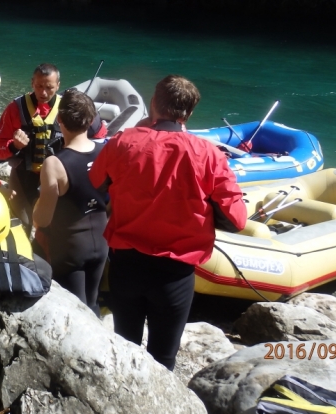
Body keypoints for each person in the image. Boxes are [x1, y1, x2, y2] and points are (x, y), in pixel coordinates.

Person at [88, 74, 247, 371]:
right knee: (163, 358)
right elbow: (237, 219)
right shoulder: (209, 155)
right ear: (188, 113)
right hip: (175, 276)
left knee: (124, 349)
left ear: (152, 104)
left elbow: (96, 182)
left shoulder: (124, 142)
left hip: (126, 266)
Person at [32, 89, 108, 315]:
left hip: (70, 246)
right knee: (92, 304)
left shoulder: (55, 163)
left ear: (60, 120)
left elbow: (42, 218)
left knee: (74, 312)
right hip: (102, 239)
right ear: (91, 120)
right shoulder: (105, 152)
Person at [0, 63, 63, 223]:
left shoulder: (66, 108)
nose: (43, 92)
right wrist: (14, 146)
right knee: (21, 222)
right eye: (38, 86)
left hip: (55, 178)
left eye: (49, 87)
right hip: (23, 175)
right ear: (32, 83)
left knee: (52, 226)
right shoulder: (14, 108)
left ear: (58, 85)